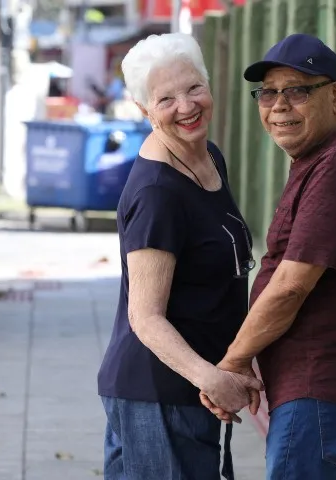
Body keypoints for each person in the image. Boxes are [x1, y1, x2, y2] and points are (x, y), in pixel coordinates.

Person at [201, 33, 336, 479]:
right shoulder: (333, 159)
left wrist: (235, 362)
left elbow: (292, 283)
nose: (279, 105)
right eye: (268, 93)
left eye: (297, 90)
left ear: (335, 96)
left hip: (326, 401)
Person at [96, 32, 263, 480]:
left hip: (188, 392)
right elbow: (145, 317)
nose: (186, 106)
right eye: (166, 98)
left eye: (193, 88)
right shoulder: (157, 193)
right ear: (144, 110)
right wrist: (212, 379)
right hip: (159, 396)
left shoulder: (208, 156)